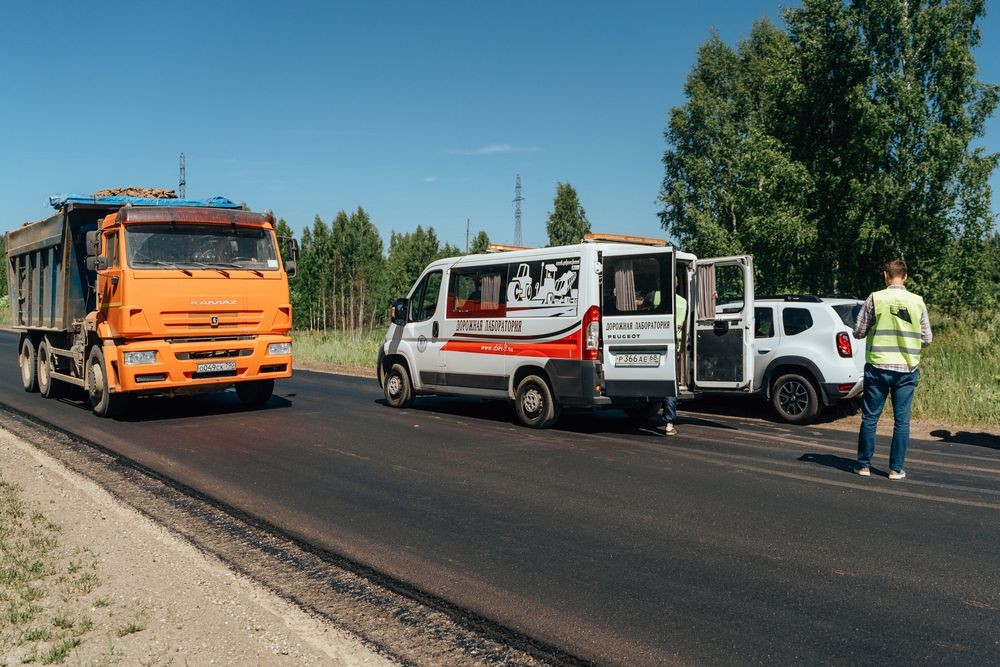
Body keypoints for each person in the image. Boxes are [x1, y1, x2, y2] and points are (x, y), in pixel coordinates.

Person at [853, 259, 932, 480]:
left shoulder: (875, 298)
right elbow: (927, 338)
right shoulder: (917, 302)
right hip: (906, 369)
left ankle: (864, 466)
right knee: (902, 421)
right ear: (905, 276)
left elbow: (858, 331)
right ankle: (896, 469)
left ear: (885, 275)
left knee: (870, 418)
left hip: (878, 366)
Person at [661, 276, 688, 436]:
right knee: (670, 387)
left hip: (655, 345)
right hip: (673, 347)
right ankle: (669, 424)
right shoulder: (683, 302)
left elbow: (639, 305)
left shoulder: (656, 296)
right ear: (677, 285)